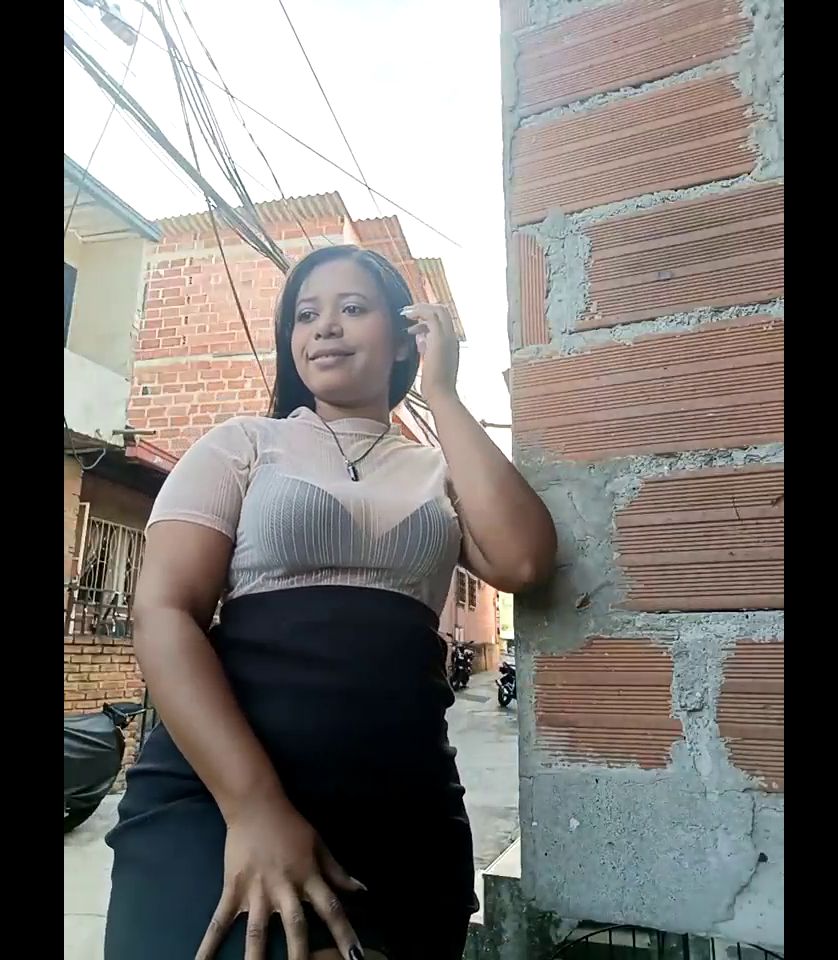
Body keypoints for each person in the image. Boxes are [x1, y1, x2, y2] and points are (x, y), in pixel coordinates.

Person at [103, 245, 557, 960]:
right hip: (222, 793)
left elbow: (524, 560)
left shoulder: (440, 470)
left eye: (352, 308)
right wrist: (254, 808)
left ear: (404, 337)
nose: (325, 328)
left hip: (403, 808)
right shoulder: (244, 445)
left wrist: (442, 393)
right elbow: (164, 612)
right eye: (306, 315)